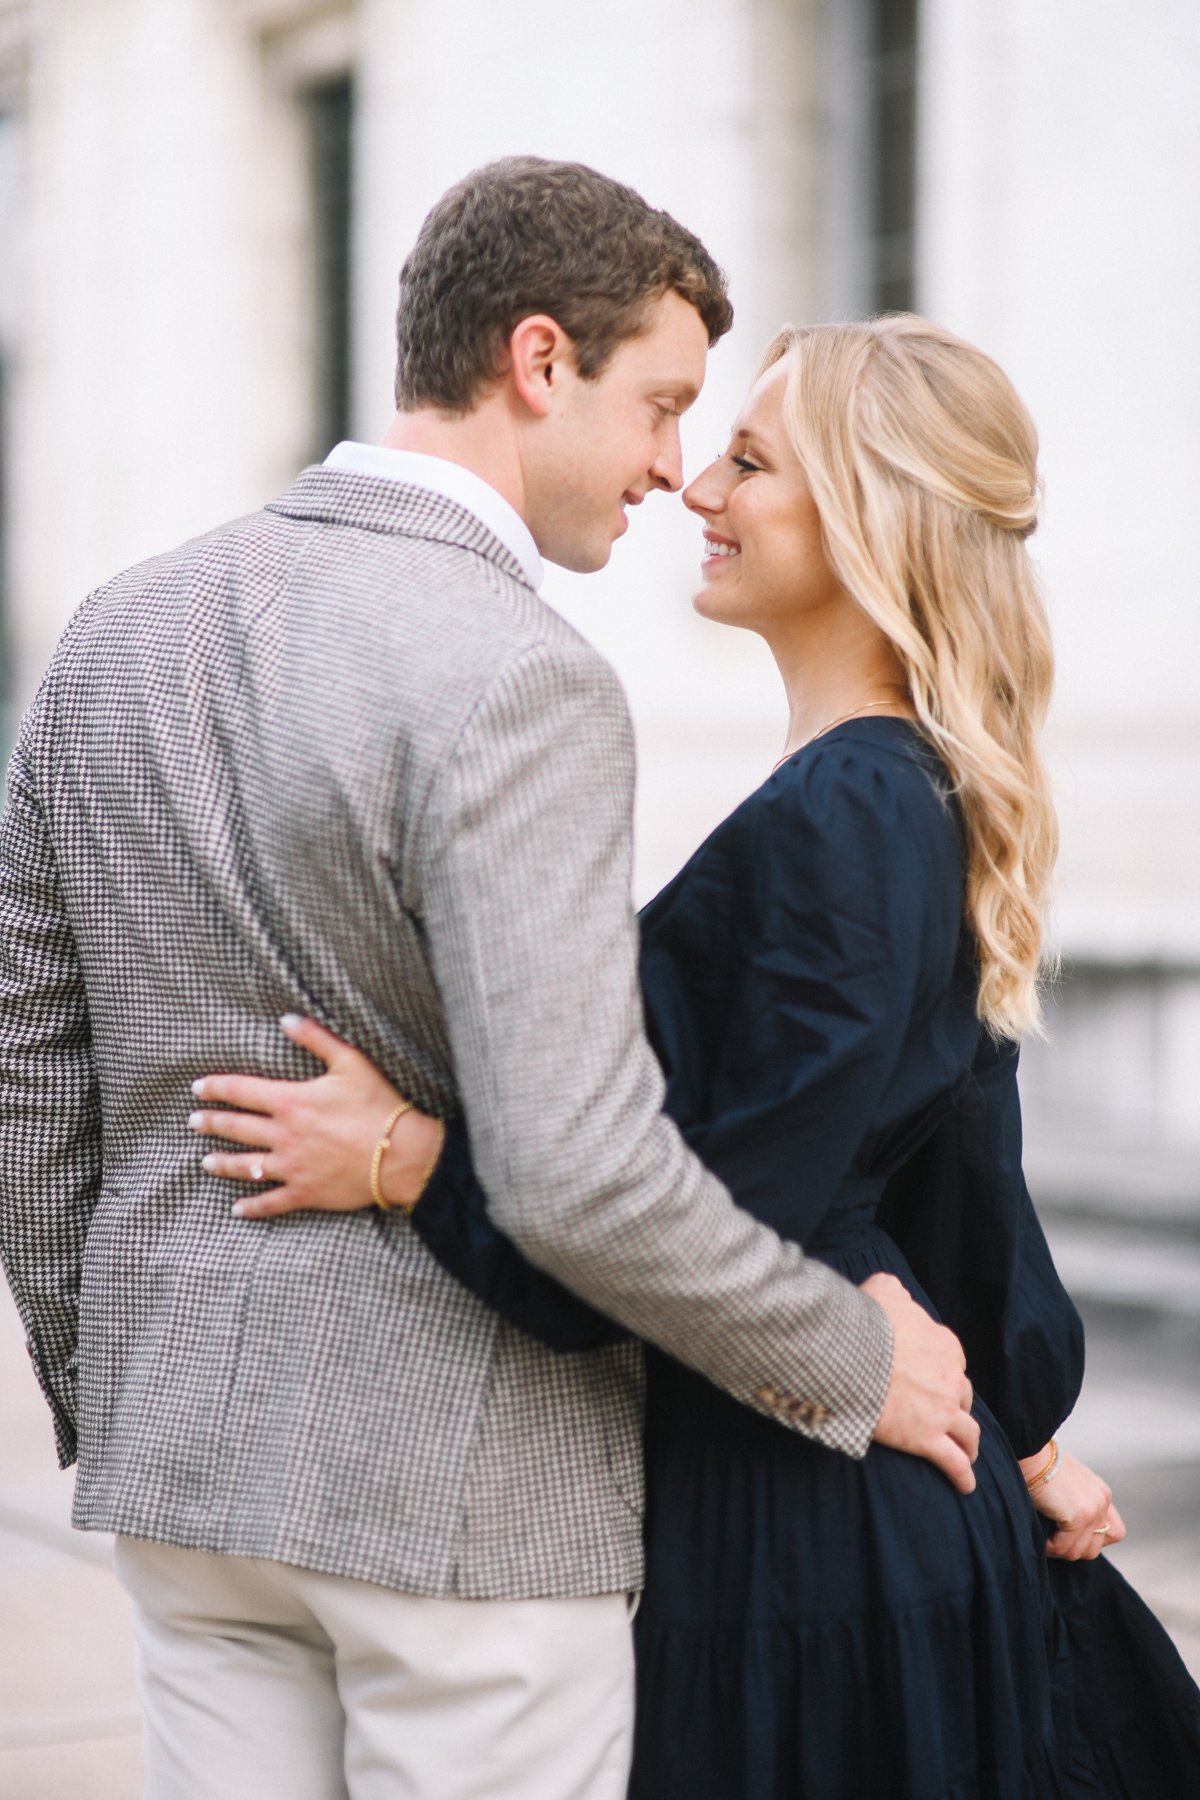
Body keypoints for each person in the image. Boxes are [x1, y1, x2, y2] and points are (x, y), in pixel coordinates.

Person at [0, 161, 979, 1800]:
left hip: (183, 1484)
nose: (675, 468)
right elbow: (580, 1174)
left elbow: (31, 1077)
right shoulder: (524, 676)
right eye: (662, 403)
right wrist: (847, 1357)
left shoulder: (108, 633)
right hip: (466, 1506)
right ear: (540, 361)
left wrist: (112, 1390)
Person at [196, 314, 1200, 1795]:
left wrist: (404, 1158)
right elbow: (966, 1185)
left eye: (751, 459)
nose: (697, 489)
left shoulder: (845, 816)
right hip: (876, 1497)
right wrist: (1033, 1438)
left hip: (802, 1535)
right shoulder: (897, 792)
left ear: (872, 520)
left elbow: (681, 1225)